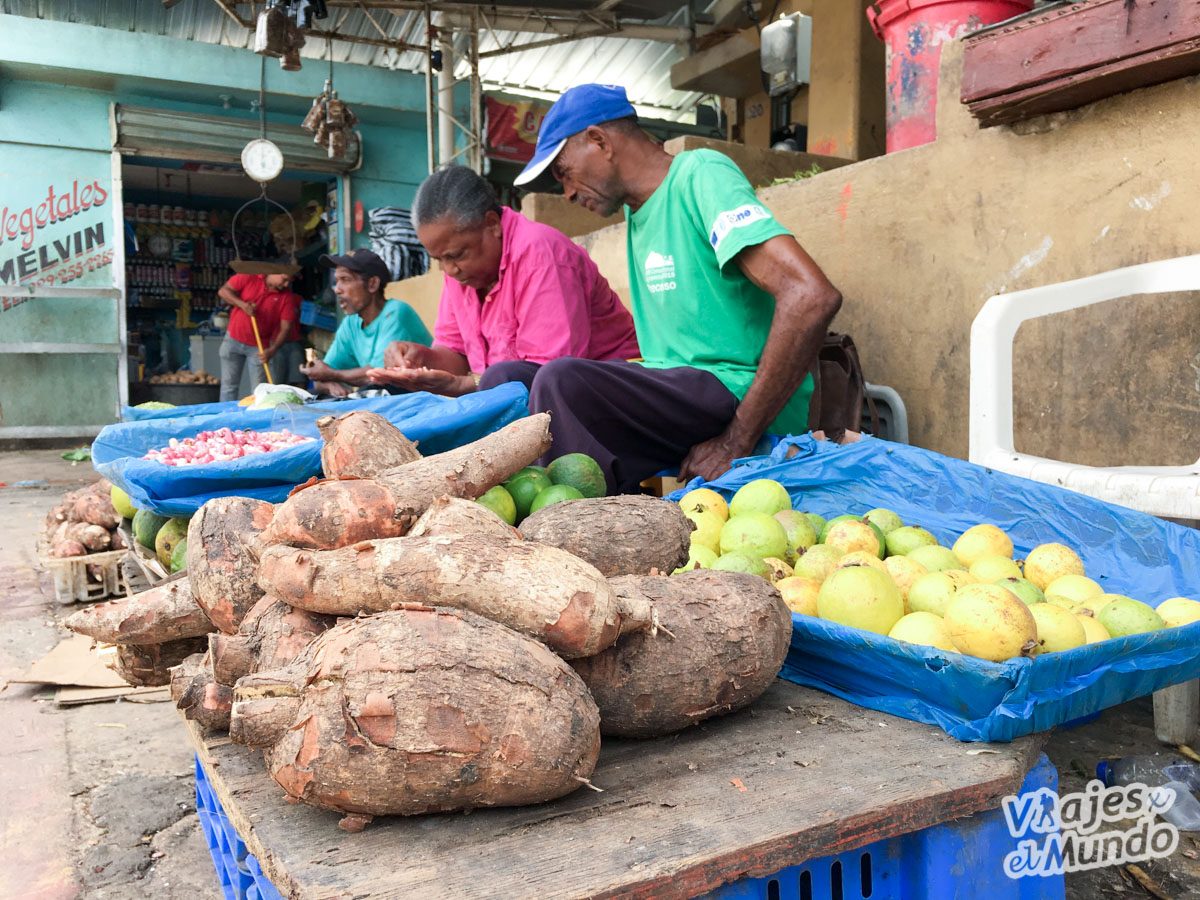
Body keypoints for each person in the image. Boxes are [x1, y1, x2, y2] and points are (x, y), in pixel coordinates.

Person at [511, 83, 842, 493]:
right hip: (684, 392)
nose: (568, 193)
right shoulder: (638, 213)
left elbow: (810, 296)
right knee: (513, 379)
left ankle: (581, 532)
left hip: (735, 391)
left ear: (599, 141)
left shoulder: (699, 175)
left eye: (564, 173)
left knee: (562, 382)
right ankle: (621, 524)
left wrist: (737, 437)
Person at [364, 165, 639, 398]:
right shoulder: (462, 274)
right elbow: (455, 356)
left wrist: (466, 384)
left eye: (457, 255)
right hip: (537, 392)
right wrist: (419, 360)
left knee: (505, 375)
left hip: (609, 393)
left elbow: (547, 376)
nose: (450, 269)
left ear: (492, 224)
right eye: (439, 260)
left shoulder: (541, 255)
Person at [299, 248, 432, 397]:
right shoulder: (351, 322)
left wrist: (330, 375)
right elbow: (322, 373)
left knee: (378, 390)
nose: (337, 289)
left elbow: (377, 376)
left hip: (422, 400)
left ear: (372, 284)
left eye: (345, 280)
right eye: (337, 281)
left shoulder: (395, 312)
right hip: (391, 397)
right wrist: (329, 383)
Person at [216, 271, 302, 402]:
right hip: (233, 338)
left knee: (259, 391)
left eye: (289, 282)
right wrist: (243, 305)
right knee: (229, 387)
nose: (286, 285)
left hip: (259, 347)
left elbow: (286, 328)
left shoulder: (287, 297)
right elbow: (223, 291)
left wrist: (272, 350)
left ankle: (256, 419)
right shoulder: (248, 276)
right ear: (273, 271)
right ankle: (225, 419)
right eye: (284, 279)